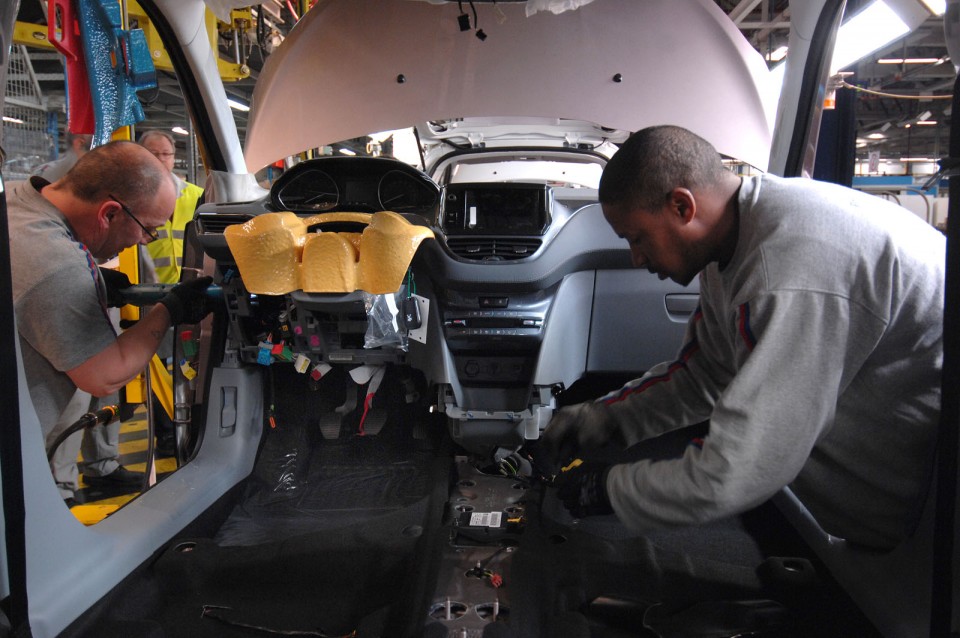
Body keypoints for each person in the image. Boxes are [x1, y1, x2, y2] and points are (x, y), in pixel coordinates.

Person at [544, 125, 945, 550]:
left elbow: (740, 469)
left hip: (927, 533)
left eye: (638, 238)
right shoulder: (739, 240)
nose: (637, 258)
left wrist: (610, 489)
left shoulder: (788, 269)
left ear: (682, 206)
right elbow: (705, 375)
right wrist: (604, 417)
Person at [8, 140, 215, 505]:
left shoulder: (16, 201)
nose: (143, 243)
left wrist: (95, 281)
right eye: (148, 230)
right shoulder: (56, 265)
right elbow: (105, 373)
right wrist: (170, 309)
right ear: (109, 213)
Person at [138, 129, 204, 284]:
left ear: (173, 158)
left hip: (190, 288)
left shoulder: (198, 196)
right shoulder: (133, 199)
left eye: (166, 154)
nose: (160, 159)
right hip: (147, 290)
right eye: (153, 153)